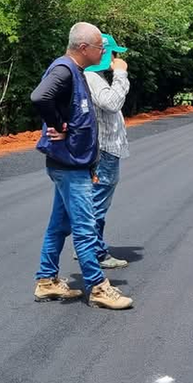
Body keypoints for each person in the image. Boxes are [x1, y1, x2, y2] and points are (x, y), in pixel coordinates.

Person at [31, 22, 133, 310]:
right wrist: (57, 124)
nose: (104, 52)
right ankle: (98, 287)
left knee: (59, 225)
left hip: (75, 162)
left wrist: (74, 138)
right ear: (84, 47)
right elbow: (40, 97)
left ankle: (47, 281)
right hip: (68, 166)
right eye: (100, 47)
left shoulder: (77, 73)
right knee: (85, 227)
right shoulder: (64, 70)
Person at [83, 33, 131, 269]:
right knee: (98, 203)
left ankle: (89, 247)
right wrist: (121, 74)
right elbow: (111, 103)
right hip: (104, 150)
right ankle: (96, 253)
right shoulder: (92, 77)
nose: (116, 57)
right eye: (113, 53)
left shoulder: (94, 76)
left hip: (103, 149)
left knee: (95, 201)